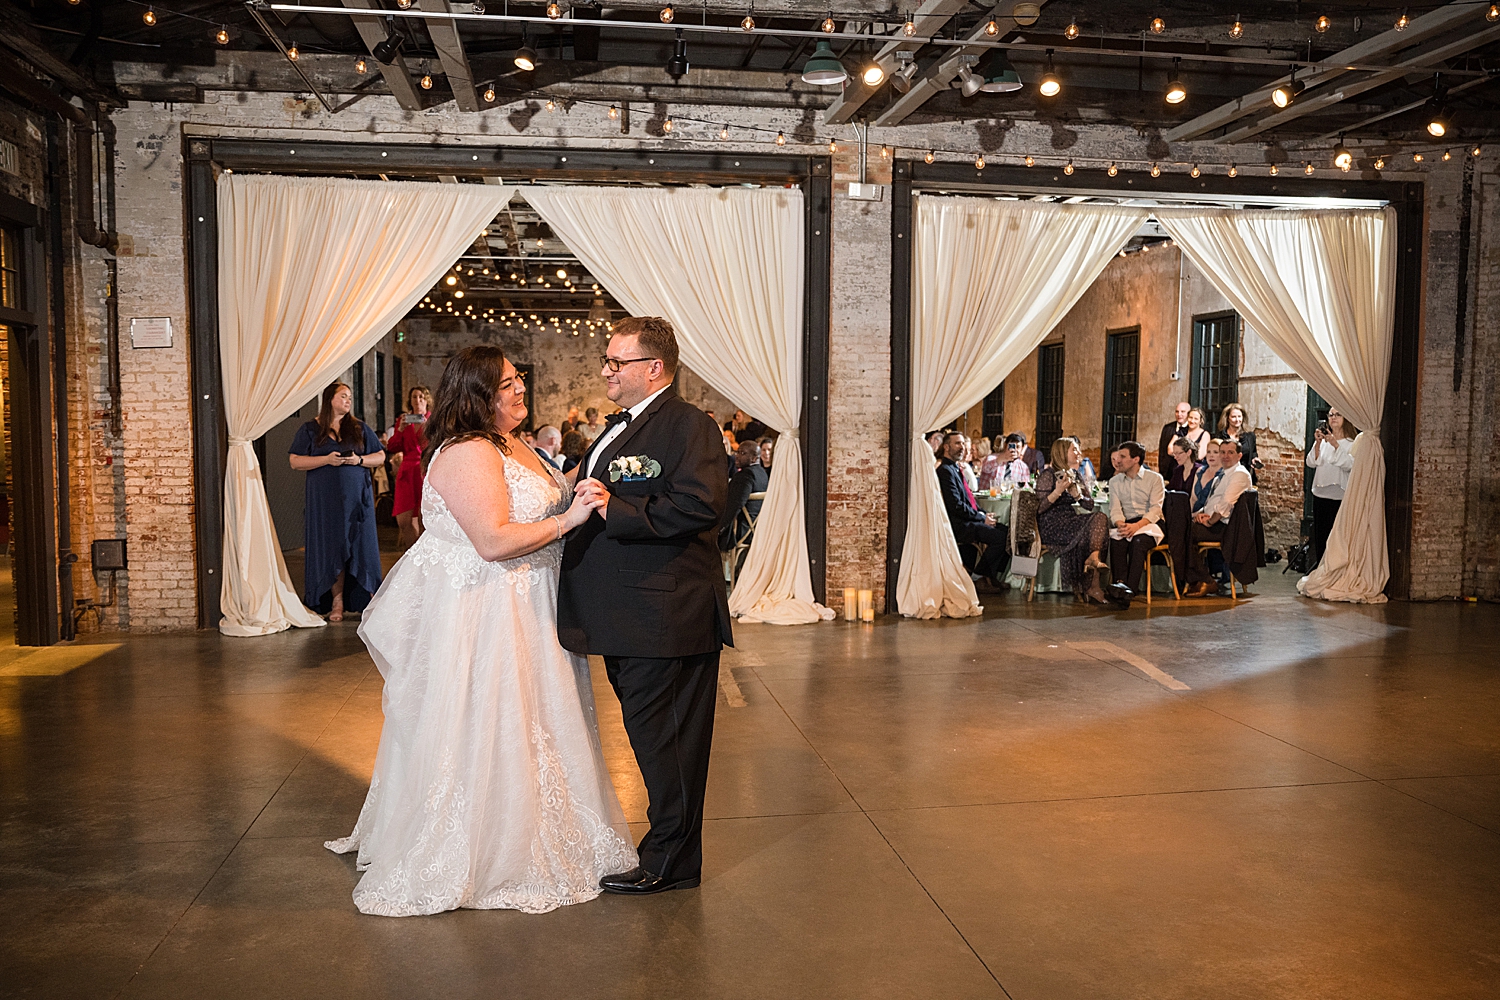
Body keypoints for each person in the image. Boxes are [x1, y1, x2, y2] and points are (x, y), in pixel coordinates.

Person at [326, 347, 636, 915]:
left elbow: (537, 493)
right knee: (492, 717)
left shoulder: (511, 443)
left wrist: (587, 480)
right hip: (491, 608)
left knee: (537, 718)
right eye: (509, 384)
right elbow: (492, 541)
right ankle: (489, 846)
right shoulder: (468, 451)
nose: (521, 391)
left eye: (519, 381)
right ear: (477, 395)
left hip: (529, 603)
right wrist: (568, 520)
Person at [562, 317, 732, 896]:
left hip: (667, 615)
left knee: (670, 745)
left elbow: (701, 505)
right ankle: (668, 853)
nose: (606, 370)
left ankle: (670, 862)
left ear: (652, 368)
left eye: (617, 361)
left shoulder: (689, 427)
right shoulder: (620, 427)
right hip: (630, 616)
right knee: (652, 739)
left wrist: (617, 509)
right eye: (607, 361)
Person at [289, 382, 385, 622]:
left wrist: (359, 460)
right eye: (343, 396)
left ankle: (369, 598)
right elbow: (295, 461)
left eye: (350, 397)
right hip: (326, 502)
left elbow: (381, 456)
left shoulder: (359, 428)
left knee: (361, 546)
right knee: (332, 548)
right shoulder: (311, 428)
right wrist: (325, 460)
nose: (348, 400)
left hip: (357, 501)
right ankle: (337, 600)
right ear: (330, 398)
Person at [1035, 436, 1109, 604]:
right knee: (1096, 528)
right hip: (1052, 525)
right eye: (1073, 449)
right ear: (1062, 452)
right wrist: (1057, 491)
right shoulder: (1048, 475)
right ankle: (1093, 585)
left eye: (1077, 449)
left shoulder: (1075, 474)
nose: (1078, 452)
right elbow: (1038, 508)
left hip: (1070, 520)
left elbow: (1090, 505)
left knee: (1100, 520)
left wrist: (1078, 495)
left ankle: (1093, 561)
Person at [936, 431, 1009, 589]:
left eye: (963, 444)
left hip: (969, 519)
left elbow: (969, 500)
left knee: (1007, 532)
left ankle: (990, 576)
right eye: (957, 443)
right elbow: (956, 505)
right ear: (946, 447)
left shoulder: (955, 468)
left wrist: (983, 514)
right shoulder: (945, 471)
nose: (962, 447)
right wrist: (981, 519)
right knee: (999, 538)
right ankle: (978, 577)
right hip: (959, 524)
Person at [1184, 438, 1255, 597]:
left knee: (1183, 533)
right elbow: (1211, 502)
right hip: (1214, 521)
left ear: (1239, 455)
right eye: (1222, 452)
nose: (1225, 456)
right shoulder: (1221, 475)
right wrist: (1197, 515)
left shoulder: (1239, 474)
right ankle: (1197, 579)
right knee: (1180, 528)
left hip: (1227, 528)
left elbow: (1226, 504)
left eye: (1230, 452)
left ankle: (1205, 581)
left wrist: (1209, 521)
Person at [1105, 441, 1166, 600]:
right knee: (1117, 540)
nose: (1118, 461)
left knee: (1138, 542)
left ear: (1136, 459)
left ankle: (1129, 590)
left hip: (1149, 523)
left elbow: (1155, 509)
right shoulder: (1114, 482)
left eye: (1123, 457)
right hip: (1127, 522)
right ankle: (1119, 585)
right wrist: (1121, 525)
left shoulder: (1154, 479)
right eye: (1117, 457)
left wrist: (1137, 526)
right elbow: (1115, 509)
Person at [1306, 407, 1358, 566]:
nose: (1333, 417)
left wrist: (1335, 444)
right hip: (1321, 495)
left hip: (1339, 497)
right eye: (1331, 415)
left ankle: (1335, 569)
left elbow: (1350, 465)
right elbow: (1311, 462)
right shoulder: (1323, 443)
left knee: (1338, 538)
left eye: (1337, 414)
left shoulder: (1352, 443)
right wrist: (1318, 443)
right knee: (1321, 536)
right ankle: (1321, 569)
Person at [384, 385, 430, 549]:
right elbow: (392, 446)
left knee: (424, 517)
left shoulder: (433, 420)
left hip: (426, 470)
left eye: (421, 397)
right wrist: (400, 430)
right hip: (407, 471)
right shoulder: (404, 420)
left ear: (426, 400)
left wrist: (428, 427)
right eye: (414, 397)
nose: (417, 400)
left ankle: (425, 555)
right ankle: (413, 553)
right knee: (404, 520)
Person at [719, 440, 768, 556]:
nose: (737, 456)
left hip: (741, 532)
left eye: (742, 453)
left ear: (754, 458)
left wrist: (719, 528)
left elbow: (735, 505)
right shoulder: (763, 474)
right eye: (737, 452)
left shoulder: (745, 476)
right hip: (758, 530)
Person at [1219, 402, 1264, 483]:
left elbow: (1253, 453)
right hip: (1225, 477)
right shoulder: (1220, 436)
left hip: (1245, 477)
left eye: (1239, 416)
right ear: (1227, 418)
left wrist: (1255, 459)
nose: (1237, 420)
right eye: (1233, 417)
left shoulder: (1250, 436)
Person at [1190, 438, 1224, 514]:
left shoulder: (1223, 475)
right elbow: (1192, 499)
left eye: (1215, 452)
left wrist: (1195, 516)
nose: (1211, 455)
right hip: (1193, 515)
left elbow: (1215, 504)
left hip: (1210, 516)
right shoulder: (1200, 471)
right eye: (1208, 452)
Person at [1158, 401, 1191, 473]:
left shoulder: (1191, 429)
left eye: (1182, 412)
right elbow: (1162, 450)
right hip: (1167, 471)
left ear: (1188, 413)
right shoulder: (1167, 428)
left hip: (1182, 470)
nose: (1179, 414)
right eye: (1177, 412)